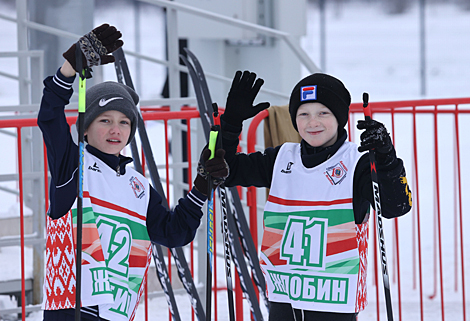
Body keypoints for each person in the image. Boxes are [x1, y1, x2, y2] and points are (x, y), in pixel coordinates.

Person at [37, 24, 228, 321]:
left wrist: (202, 185)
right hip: (72, 310)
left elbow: (173, 232)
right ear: (86, 127)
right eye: (104, 120)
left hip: (117, 312)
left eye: (124, 122)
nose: (115, 129)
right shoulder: (72, 166)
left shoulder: (137, 185)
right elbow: (49, 116)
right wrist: (70, 68)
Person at [220, 71, 413, 321]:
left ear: (339, 117)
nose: (313, 123)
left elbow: (396, 205)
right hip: (284, 296)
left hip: (334, 300)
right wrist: (231, 123)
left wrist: (386, 158)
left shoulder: (357, 162)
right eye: (304, 114)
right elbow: (222, 171)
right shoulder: (280, 159)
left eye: (323, 113)